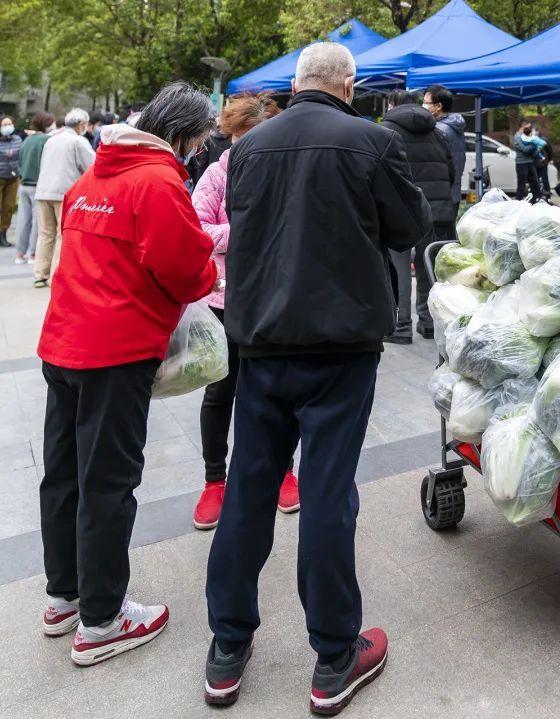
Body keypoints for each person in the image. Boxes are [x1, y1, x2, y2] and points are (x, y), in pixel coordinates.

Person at [204, 43, 430, 713]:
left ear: (297, 84)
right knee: (328, 494)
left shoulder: (247, 146)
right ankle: (334, 653)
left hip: (263, 338)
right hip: (340, 343)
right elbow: (409, 225)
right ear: (348, 84)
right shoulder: (370, 141)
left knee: (248, 487)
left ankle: (227, 645)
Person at [37, 82, 219, 666]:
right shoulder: (157, 181)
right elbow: (187, 269)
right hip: (115, 354)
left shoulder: (97, 177)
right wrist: (208, 280)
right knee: (108, 484)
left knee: (63, 474)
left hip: (64, 342)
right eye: (198, 142)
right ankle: (102, 619)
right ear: (185, 136)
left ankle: (65, 594)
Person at [190, 93, 298, 531]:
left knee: (277, 390)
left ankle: (282, 470)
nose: (241, 146)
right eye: (236, 139)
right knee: (219, 392)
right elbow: (196, 228)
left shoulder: (287, 174)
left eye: (249, 137)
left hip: (275, 298)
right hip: (224, 302)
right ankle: (215, 480)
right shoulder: (218, 173)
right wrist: (246, 232)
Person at [381, 89, 455, 344]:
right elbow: (451, 171)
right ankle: (428, 323)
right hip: (435, 209)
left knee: (400, 269)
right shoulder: (436, 131)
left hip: (401, 210)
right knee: (427, 267)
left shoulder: (388, 131)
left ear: (391, 105)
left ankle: (401, 327)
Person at [33, 108, 95, 288]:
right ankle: (55, 275)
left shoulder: (51, 140)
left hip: (43, 190)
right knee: (62, 234)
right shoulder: (78, 141)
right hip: (64, 193)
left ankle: (39, 274)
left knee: (45, 234)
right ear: (81, 124)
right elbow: (92, 165)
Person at [14, 111, 55, 264]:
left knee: (23, 221)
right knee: (38, 222)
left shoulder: (27, 140)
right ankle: (32, 254)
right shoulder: (46, 140)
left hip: (24, 184)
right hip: (37, 185)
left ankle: (20, 254)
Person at [424, 84, 465, 224]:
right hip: (453, 192)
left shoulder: (439, 130)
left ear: (438, 106)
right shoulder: (455, 126)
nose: (423, 106)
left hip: (441, 195)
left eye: (426, 103)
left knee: (436, 241)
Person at [187, 119, 233, 188]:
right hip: (224, 184)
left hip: (204, 183)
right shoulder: (235, 143)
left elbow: (199, 163)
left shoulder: (208, 139)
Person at [0, 116, 22, 247]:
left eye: (9, 123)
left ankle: (3, 233)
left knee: (9, 207)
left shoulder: (18, 140)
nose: (7, 126)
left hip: (13, 178)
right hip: (0, 176)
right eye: (4, 124)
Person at [513, 120, 542, 200]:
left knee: (534, 182)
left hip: (530, 162)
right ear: (523, 126)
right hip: (521, 163)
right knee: (521, 183)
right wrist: (533, 144)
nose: (529, 129)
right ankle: (518, 201)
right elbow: (524, 149)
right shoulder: (517, 137)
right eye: (528, 127)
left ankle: (537, 199)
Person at [533, 126, 553, 201]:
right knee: (536, 180)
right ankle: (538, 194)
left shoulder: (544, 140)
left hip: (542, 163)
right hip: (535, 163)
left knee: (544, 179)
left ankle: (546, 194)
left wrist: (549, 159)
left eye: (535, 131)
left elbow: (549, 150)